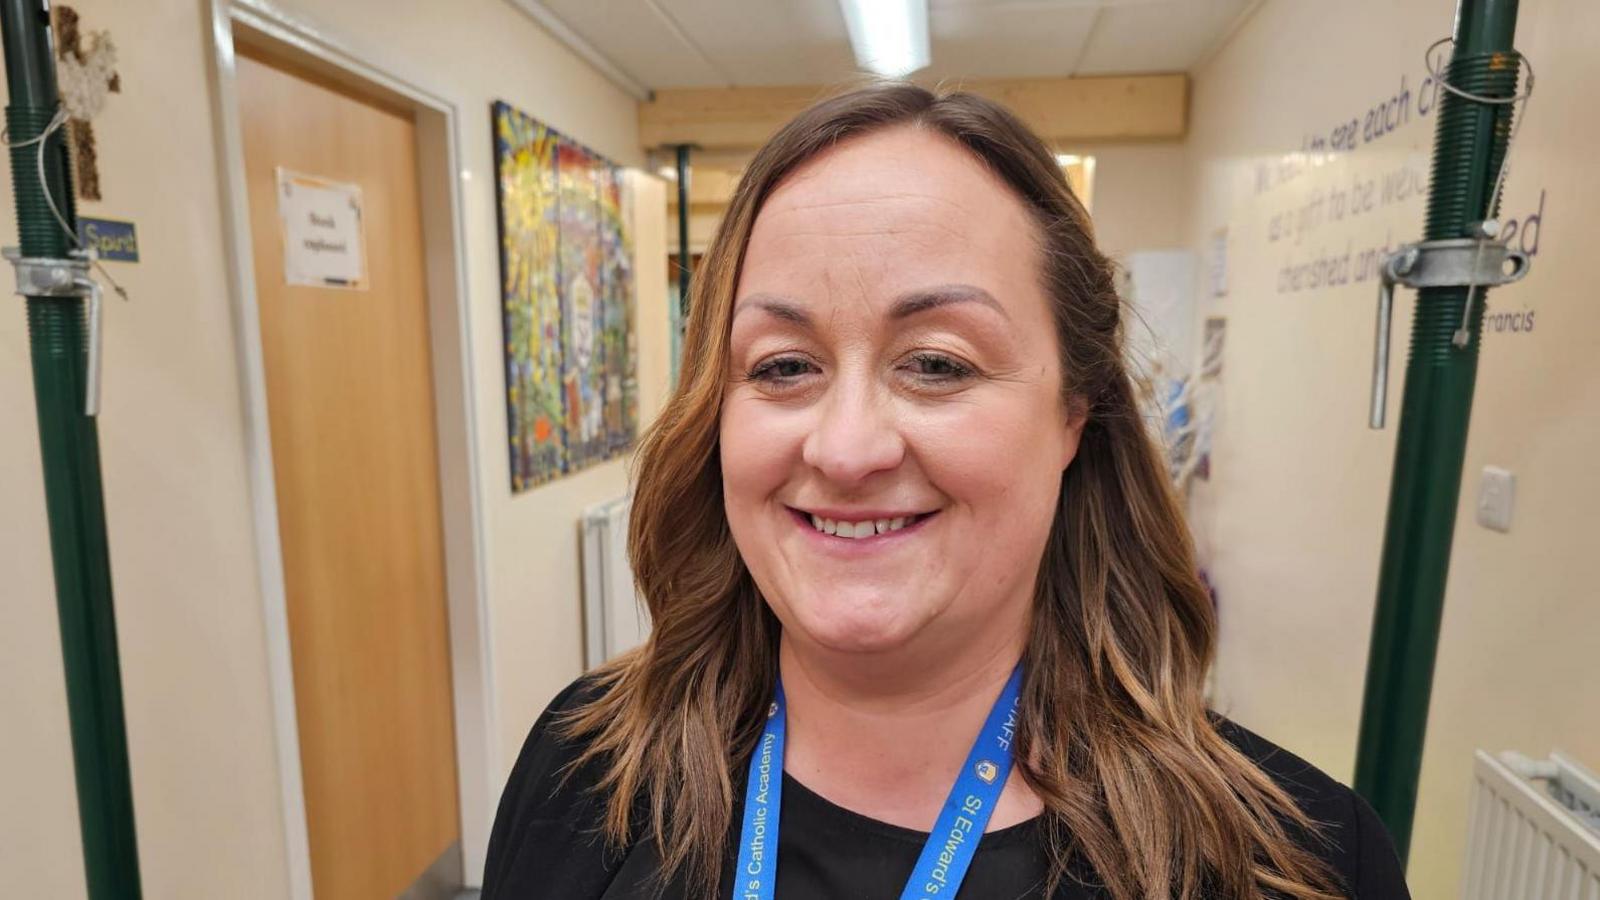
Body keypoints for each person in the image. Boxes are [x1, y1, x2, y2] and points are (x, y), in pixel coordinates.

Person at [482, 83, 1410, 900]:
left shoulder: (1296, 864)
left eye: (935, 363)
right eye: (784, 365)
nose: (846, 448)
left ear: (1073, 414)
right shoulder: (582, 773)